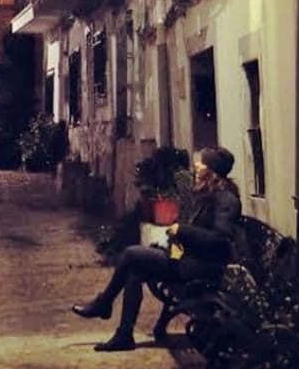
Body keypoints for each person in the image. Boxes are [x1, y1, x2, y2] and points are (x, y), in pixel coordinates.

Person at [72, 146, 241, 351]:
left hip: (200, 268)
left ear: (212, 172)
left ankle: (104, 305)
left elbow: (219, 241)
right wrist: (175, 242)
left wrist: (182, 231)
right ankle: (123, 334)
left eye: (202, 163)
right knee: (134, 271)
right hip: (188, 261)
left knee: (131, 254)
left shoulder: (226, 199)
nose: (196, 165)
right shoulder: (210, 195)